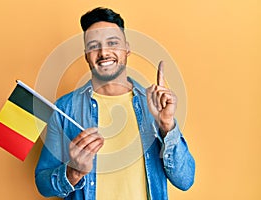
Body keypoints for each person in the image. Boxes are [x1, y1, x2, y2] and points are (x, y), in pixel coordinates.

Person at [35, 7, 195, 200]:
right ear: (86, 54)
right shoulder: (64, 108)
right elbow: (43, 184)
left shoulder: (154, 105)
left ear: (127, 48)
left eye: (112, 42)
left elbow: (185, 180)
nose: (104, 52)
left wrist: (167, 125)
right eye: (94, 45)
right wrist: (73, 172)